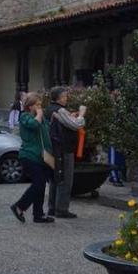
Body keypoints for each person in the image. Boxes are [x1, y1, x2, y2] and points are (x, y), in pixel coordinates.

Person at [10, 92, 55, 224]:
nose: (40, 107)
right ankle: (19, 206)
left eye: (41, 105)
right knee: (39, 183)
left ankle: (38, 214)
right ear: (30, 106)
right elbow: (34, 125)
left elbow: (47, 133)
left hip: (40, 157)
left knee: (40, 185)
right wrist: (40, 115)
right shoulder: (24, 116)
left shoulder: (40, 118)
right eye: (37, 105)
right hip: (29, 156)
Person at [46, 86, 85, 219]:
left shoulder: (50, 108)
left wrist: (70, 116)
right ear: (58, 98)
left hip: (54, 147)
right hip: (64, 148)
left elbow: (64, 121)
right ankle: (61, 209)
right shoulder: (60, 109)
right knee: (65, 179)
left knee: (55, 178)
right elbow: (76, 125)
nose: (66, 98)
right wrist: (81, 114)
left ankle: (52, 207)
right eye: (64, 96)